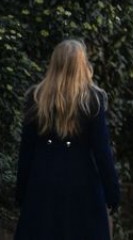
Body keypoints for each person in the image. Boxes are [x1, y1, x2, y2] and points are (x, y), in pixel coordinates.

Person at [15, 39, 120, 240]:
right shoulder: (92, 100)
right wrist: (112, 193)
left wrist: (22, 193)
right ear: (82, 65)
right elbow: (101, 151)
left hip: (42, 181)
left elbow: (26, 151)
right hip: (82, 185)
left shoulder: (36, 98)